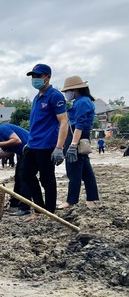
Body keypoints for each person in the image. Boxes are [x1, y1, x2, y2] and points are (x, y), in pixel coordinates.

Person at [23, 64, 69, 220]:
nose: (35, 79)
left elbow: (64, 122)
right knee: (27, 175)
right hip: (33, 144)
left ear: (47, 77)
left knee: (47, 179)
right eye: (33, 76)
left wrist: (59, 147)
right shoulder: (37, 97)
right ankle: (38, 209)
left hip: (46, 145)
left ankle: (49, 212)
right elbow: (36, 123)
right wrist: (28, 142)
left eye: (38, 76)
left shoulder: (55, 96)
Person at [59, 76, 99, 209]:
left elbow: (79, 125)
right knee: (86, 170)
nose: (66, 94)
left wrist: (73, 145)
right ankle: (91, 199)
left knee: (73, 169)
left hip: (77, 135)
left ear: (75, 89)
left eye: (67, 91)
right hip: (79, 135)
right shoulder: (81, 101)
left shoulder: (82, 102)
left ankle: (71, 200)